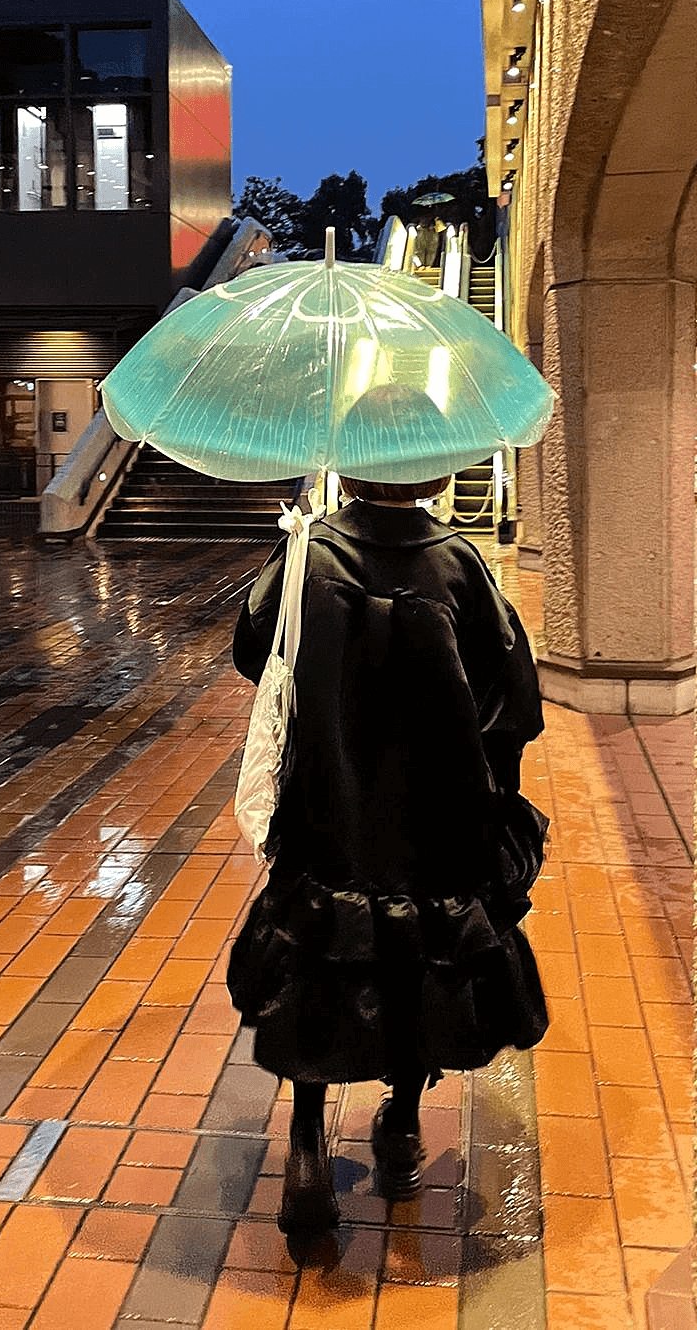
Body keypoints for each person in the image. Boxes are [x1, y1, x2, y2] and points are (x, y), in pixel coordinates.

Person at [227, 435, 547, 1234]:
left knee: (320, 963)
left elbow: (250, 653)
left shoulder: (311, 556)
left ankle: (305, 1146)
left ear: (354, 466)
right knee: (416, 963)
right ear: (436, 471)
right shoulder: (459, 565)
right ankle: (401, 1125)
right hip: (433, 817)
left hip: (329, 809)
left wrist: (295, 553)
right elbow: (517, 698)